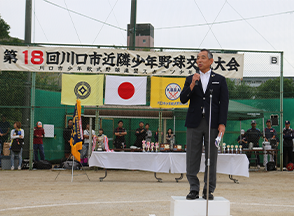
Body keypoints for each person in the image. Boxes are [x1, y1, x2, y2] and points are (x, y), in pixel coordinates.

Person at [180, 49, 229, 200]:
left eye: (202, 58)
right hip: (194, 122)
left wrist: (222, 123)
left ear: (211, 61)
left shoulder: (219, 79)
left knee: (211, 156)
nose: (199, 60)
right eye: (197, 58)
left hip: (212, 123)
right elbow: (183, 99)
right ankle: (193, 188)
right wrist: (193, 84)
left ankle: (209, 189)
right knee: (192, 156)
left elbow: (224, 103)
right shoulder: (191, 79)